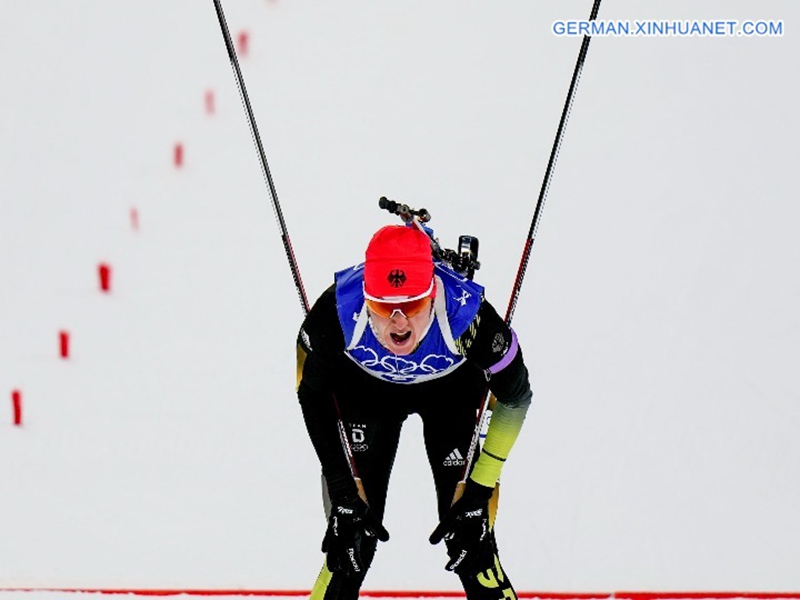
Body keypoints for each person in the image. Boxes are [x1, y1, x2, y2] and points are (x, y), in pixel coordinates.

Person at [297, 223, 532, 600]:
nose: (398, 322)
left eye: (412, 306)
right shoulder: (337, 312)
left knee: (472, 545)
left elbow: (515, 397)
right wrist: (342, 490)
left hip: (451, 395)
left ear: (433, 292)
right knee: (350, 543)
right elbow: (312, 395)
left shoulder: (466, 315)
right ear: (365, 297)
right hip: (366, 393)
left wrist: (478, 491)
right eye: (382, 307)